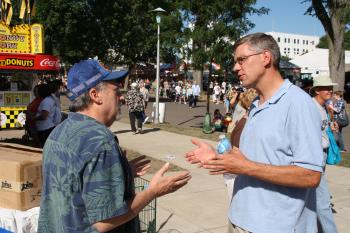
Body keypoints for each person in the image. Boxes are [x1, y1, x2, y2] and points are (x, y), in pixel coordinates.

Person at [185, 33, 324, 233]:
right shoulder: (255, 104)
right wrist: (218, 156)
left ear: (266, 58)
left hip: (275, 226)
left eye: (241, 60)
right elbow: (250, 158)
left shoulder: (298, 103)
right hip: (239, 219)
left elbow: (310, 176)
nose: (235, 68)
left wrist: (246, 167)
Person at [37, 60, 191, 233]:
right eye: (116, 91)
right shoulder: (100, 142)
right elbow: (105, 221)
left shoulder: (59, 131)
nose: (122, 97)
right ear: (95, 95)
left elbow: (74, 187)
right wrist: (153, 191)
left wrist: (121, 174)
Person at [310, 75, 339, 233]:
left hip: (321, 155)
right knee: (323, 201)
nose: (330, 90)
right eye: (326, 87)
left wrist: (331, 126)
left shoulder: (323, 107)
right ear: (316, 90)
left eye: (331, 87)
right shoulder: (311, 107)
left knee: (314, 199)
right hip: (315, 157)